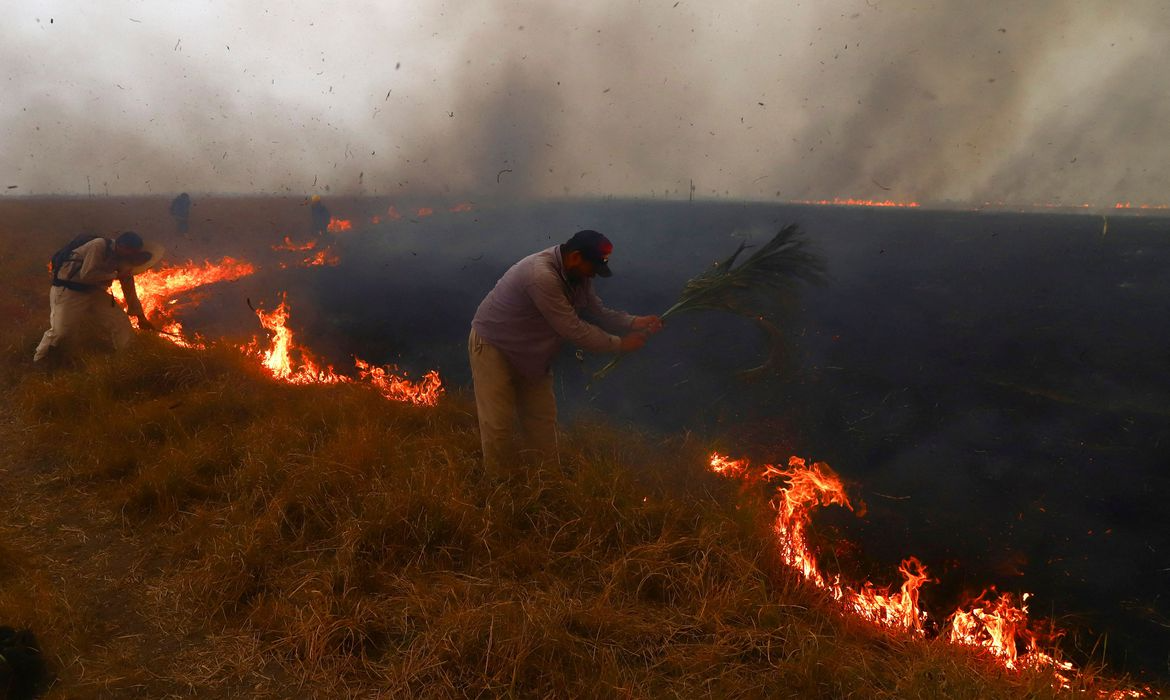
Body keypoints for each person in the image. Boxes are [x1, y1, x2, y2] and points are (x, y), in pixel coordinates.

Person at [469, 230, 663, 477]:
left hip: (533, 353)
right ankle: (499, 490)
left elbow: (597, 311)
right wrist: (620, 345)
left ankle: (547, 483)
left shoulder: (579, 275)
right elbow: (573, 329)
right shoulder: (541, 276)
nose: (592, 275)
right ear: (575, 257)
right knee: (498, 425)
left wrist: (633, 322)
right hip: (495, 345)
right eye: (591, 267)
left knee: (542, 421)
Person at [33, 231, 162, 363]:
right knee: (61, 331)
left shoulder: (124, 260)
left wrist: (141, 317)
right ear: (121, 246)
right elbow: (87, 274)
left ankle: (127, 359)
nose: (133, 257)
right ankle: (40, 359)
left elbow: (129, 291)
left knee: (120, 322)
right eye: (131, 252)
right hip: (69, 290)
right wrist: (115, 276)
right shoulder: (99, 245)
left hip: (92, 291)